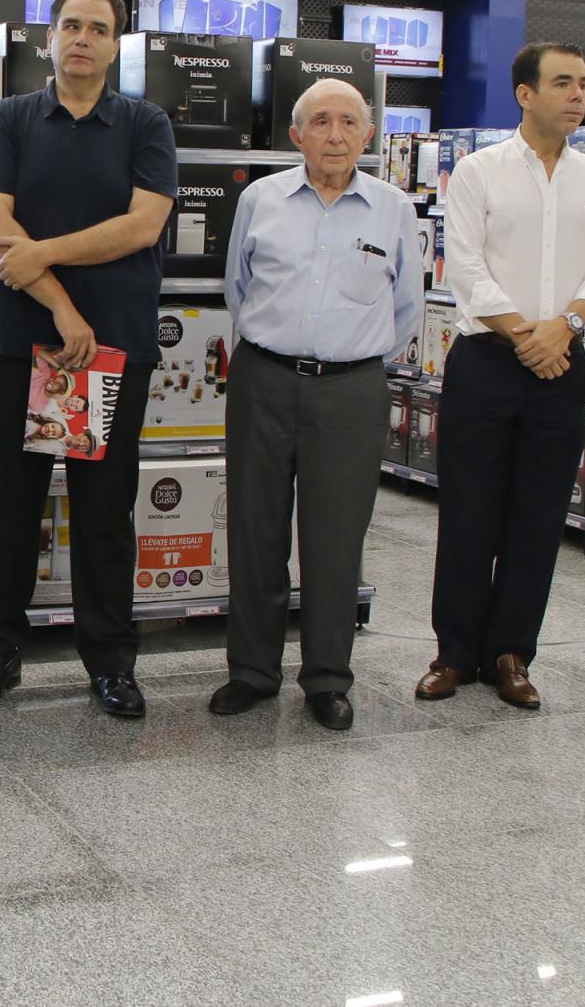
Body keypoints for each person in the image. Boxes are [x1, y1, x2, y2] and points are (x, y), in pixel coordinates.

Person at [0, 0, 177, 716]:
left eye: (98, 28)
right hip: (20, 343)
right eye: (71, 26)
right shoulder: (9, 119)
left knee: (104, 507)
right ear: (48, 39)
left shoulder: (145, 125)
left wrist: (45, 255)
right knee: (10, 505)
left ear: (116, 45)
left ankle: (112, 663)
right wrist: (62, 311)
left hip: (110, 349)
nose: (82, 39)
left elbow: (141, 227)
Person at [416, 43, 585, 709]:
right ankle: (454, 653)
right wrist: (529, 335)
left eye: (584, 86)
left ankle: (511, 654)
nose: (577, 96)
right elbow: (467, 269)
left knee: (538, 517)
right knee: (471, 510)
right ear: (525, 94)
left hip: (563, 360)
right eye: (563, 83)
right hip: (488, 360)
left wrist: (565, 325)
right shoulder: (478, 172)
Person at [212, 79, 421, 731]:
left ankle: (328, 679)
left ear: (368, 135)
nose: (335, 134)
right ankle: (252, 671)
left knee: (335, 541)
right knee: (255, 530)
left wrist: (348, 357)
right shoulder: (260, 199)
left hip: (352, 388)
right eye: (320, 122)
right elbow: (237, 289)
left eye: (349, 122)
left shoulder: (394, 209)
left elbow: (407, 308)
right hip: (264, 379)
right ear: (296, 134)